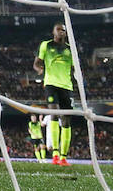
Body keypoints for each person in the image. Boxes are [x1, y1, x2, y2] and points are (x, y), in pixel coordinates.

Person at [34, 22, 75, 166]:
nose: (61, 32)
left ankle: (63, 157)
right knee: (54, 113)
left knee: (66, 120)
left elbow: (74, 68)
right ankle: (55, 154)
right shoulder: (46, 45)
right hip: (51, 84)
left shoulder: (71, 49)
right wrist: (40, 70)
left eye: (63, 30)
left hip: (66, 86)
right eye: (58, 30)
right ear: (53, 32)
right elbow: (37, 63)